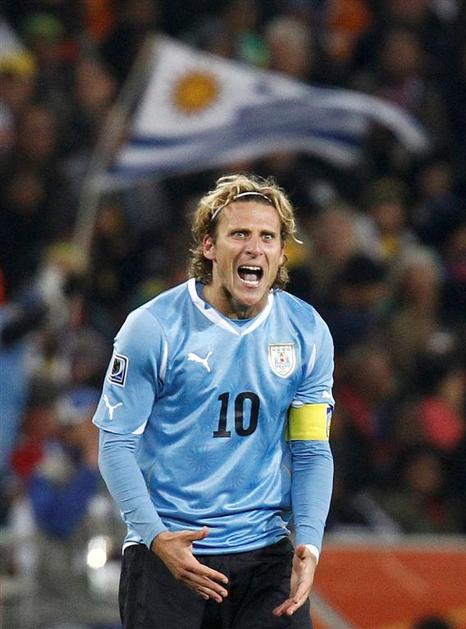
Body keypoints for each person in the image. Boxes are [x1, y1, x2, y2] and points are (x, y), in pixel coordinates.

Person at [93, 173, 335, 628]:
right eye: (239, 234)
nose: (254, 247)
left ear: (282, 253)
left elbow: (310, 449)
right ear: (209, 246)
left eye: (267, 237)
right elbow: (115, 445)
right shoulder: (154, 328)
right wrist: (155, 537)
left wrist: (309, 541)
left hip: (265, 555)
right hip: (171, 551)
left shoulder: (306, 331)